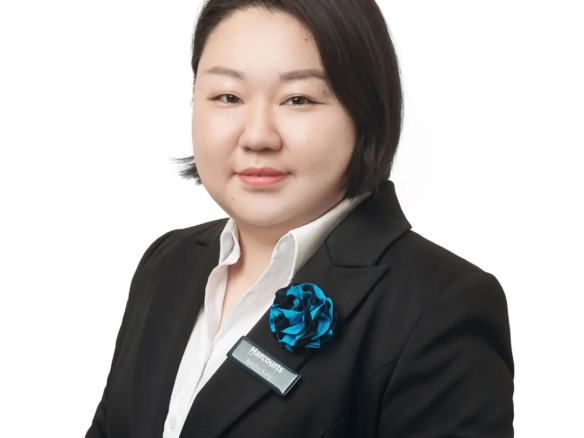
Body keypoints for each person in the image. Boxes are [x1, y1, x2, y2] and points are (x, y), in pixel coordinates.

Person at [86, 0, 514, 437]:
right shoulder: (167, 261)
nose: (257, 136)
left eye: (298, 99)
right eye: (228, 97)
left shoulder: (440, 306)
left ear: (366, 112)